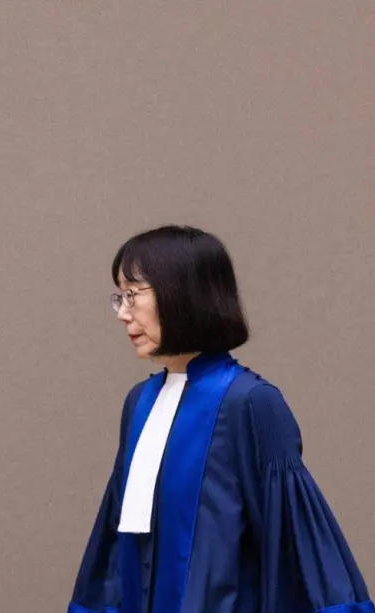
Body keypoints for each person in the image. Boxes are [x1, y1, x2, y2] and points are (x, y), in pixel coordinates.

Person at [66, 225, 373, 613]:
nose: (123, 313)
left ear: (183, 293)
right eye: (119, 297)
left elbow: (295, 545)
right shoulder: (139, 403)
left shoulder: (250, 403)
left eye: (133, 294)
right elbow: (115, 544)